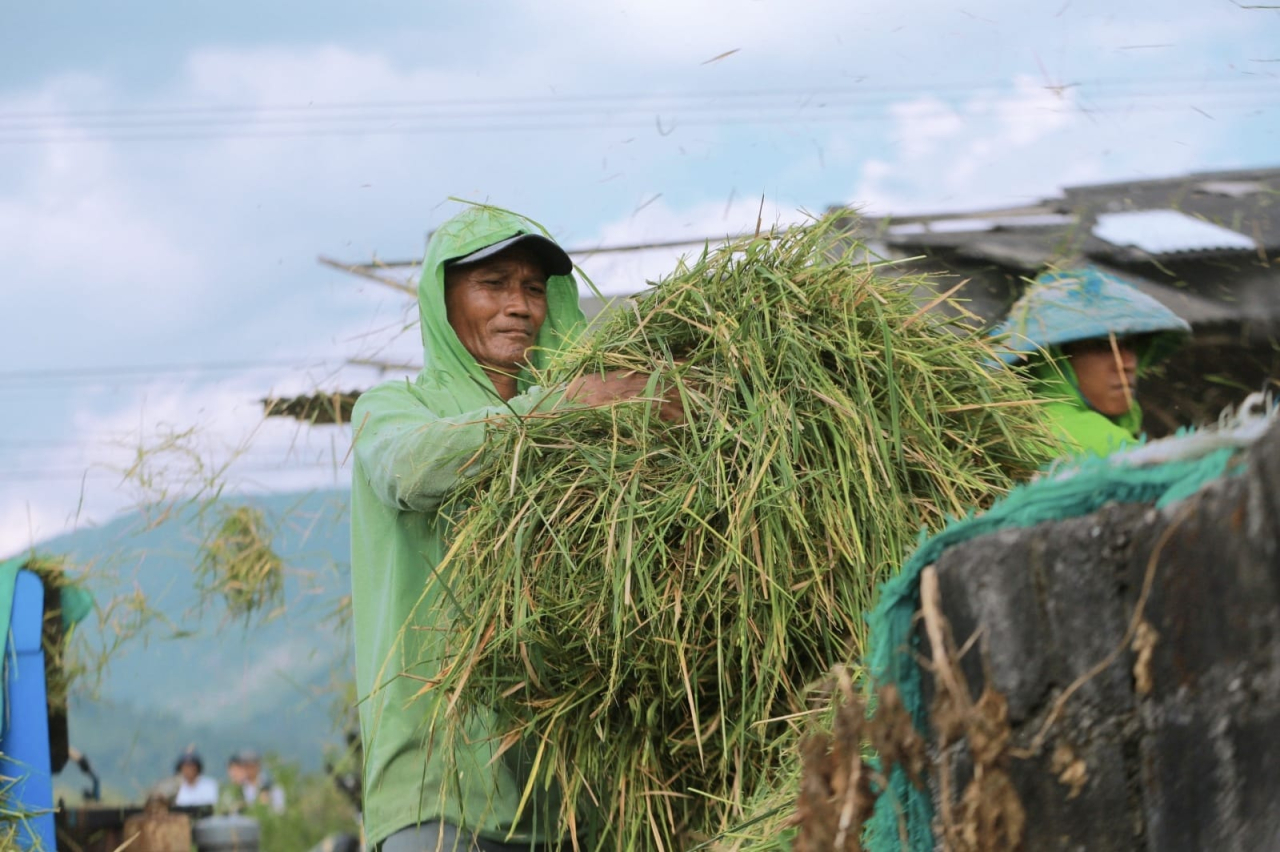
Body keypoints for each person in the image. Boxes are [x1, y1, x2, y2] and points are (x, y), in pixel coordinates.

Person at [349, 204, 681, 852]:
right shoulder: (393, 410)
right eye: (493, 285)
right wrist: (563, 406)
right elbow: (412, 472)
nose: (518, 306)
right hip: (439, 792)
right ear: (443, 300)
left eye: (533, 289)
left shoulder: (591, 432)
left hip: (571, 800)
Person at [991, 266, 1191, 457]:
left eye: (1130, 345)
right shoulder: (1101, 445)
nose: (1126, 364)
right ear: (1055, 359)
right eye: (1103, 346)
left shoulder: (1017, 424)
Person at [233, 749, 286, 814]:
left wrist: (267, 805)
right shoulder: (239, 789)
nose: (247, 770)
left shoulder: (271, 787)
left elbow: (280, 810)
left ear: (258, 766)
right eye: (244, 766)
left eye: (250, 766)